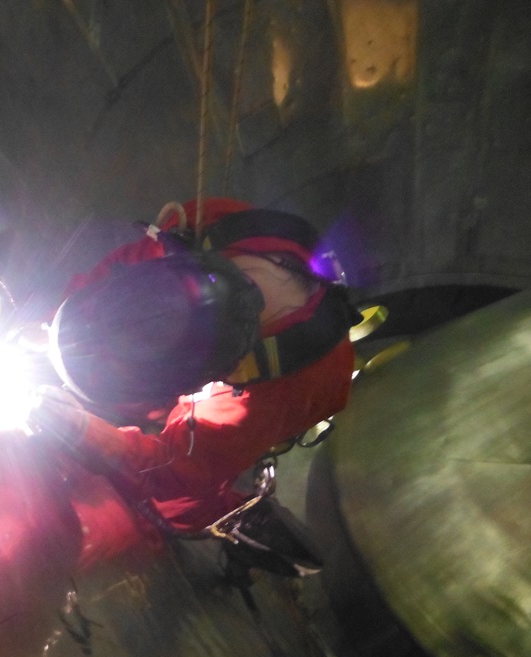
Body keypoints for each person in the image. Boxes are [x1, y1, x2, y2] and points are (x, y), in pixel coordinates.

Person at [30, 197, 358, 569]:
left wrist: (84, 432)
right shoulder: (208, 229)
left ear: (199, 380)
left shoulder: (256, 401)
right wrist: (55, 324)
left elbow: (175, 468)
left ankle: (232, 516)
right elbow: (118, 272)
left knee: (174, 502)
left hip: (288, 391)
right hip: (219, 306)